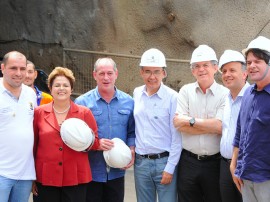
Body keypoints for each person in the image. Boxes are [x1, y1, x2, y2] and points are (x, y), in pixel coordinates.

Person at [32, 67, 100, 202]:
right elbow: (33, 145)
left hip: (75, 177)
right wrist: (32, 176)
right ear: (50, 89)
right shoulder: (39, 112)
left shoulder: (84, 113)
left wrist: (80, 139)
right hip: (46, 177)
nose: (61, 88)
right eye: (57, 85)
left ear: (71, 89)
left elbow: (95, 142)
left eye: (65, 85)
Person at [75, 58, 135, 202]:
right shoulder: (82, 103)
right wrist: (95, 143)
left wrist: (132, 148)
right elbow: (77, 137)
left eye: (110, 73)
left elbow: (131, 131)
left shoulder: (129, 102)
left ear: (116, 74)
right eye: (102, 73)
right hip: (91, 172)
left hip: (117, 171)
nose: (106, 78)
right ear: (94, 75)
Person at [173, 45, 229, 202]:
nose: (201, 69)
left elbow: (220, 127)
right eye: (197, 66)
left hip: (215, 163)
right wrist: (210, 126)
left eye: (206, 65)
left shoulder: (225, 94)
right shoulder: (185, 91)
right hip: (188, 162)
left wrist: (190, 121)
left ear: (215, 67)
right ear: (192, 70)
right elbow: (178, 124)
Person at [133, 48, 182, 202]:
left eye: (156, 71)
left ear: (164, 73)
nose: (152, 76)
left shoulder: (173, 98)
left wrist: (170, 167)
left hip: (164, 163)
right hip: (141, 163)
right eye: (147, 71)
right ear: (141, 72)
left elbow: (177, 136)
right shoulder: (136, 93)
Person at [230, 36, 270, 202]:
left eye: (258, 61)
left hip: (266, 179)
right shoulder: (247, 93)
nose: (252, 66)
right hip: (246, 175)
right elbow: (240, 130)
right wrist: (234, 165)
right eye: (249, 62)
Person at [0, 51, 37, 202]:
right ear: (2, 68)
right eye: (13, 68)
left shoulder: (30, 94)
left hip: (25, 174)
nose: (19, 73)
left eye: (22, 68)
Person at [219, 50, 249, 202]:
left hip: (244, 167)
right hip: (224, 165)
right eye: (224, 71)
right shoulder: (226, 98)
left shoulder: (253, 96)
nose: (227, 74)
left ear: (244, 74)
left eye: (232, 70)